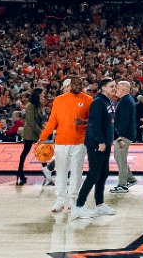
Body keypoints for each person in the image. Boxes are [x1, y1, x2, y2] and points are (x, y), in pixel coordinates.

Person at [40, 77, 91, 220]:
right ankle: (61, 200)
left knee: (76, 172)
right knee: (61, 171)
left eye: (81, 83)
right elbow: (52, 121)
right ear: (69, 86)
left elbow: (93, 120)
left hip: (79, 142)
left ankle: (73, 200)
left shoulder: (88, 100)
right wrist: (42, 138)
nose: (78, 86)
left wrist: (84, 122)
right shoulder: (59, 100)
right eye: (75, 83)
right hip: (61, 141)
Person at [75, 80, 117, 220]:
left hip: (105, 142)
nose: (114, 88)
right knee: (93, 174)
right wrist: (100, 141)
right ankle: (78, 206)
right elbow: (95, 123)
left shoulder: (108, 101)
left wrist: (114, 138)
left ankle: (99, 205)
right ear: (103, 88)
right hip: (96, 143)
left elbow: (108, 123)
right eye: (111, 86)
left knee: (103, 173)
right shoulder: (98, 102)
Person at [109, 80, 137, 194]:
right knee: (118, 156)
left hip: (123, 135)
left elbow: (123, 122)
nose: (116, 90)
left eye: (118, 88)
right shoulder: (127, 99)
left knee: (121, 158)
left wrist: (118, 135)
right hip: (126, 134)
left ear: (124, 90)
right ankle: (130, 179)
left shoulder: (125, 101)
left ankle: (122, 185)